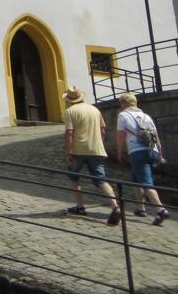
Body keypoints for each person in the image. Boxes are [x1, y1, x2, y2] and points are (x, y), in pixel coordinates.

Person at [62, 85, 122, 225]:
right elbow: (103, 129)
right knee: (101, 179)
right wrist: (98, 143)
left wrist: (68, 152)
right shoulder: (94, 109)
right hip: (96, 150)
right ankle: (115, 207)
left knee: (74, 178)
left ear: (69, 99)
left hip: (78, 150)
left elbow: (69, 133)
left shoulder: (70, 111)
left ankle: (80, 207)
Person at [116, 92, 171, 226]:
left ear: (123, 103)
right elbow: (156, 136)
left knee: (146, 183)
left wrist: (119, 152)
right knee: (136, 179)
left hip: (137, 152)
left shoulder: (123, 115)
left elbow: (121, 136)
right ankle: (141, 208)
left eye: (121, 103)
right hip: (152, 150)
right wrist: (160, 153)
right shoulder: (146, 116)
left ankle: (161, 210)